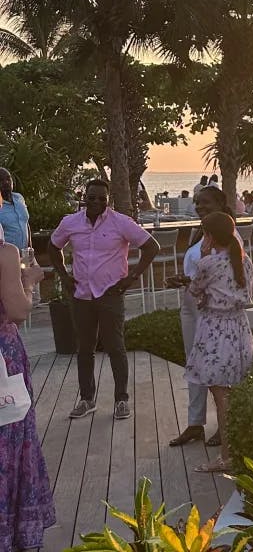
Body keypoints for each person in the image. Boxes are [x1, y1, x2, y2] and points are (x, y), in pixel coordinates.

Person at [49, 180, 160, 421]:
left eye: (102, 198)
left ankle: (121, 399)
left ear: (108, 199)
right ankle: (87, 399)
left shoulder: (120, 222)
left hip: (110, 293)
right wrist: (64, 277)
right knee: (84, 348)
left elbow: (151, 247)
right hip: (81, 295)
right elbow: (52, 246)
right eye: (92, 197)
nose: (97, 202)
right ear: (84, 198)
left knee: (115, 347)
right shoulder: (71, 223)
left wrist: (132, 277)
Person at [182, 211, 253, 473]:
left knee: (220, 394)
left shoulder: (207, 264)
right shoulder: (244, 262)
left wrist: (203, 256)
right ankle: (236, 449)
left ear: (210, 236)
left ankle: (227, 455)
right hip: (239, 328)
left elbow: (194, 291)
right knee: (233, 391)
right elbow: (250, 294)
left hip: (215, 330)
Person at [0, 212, 55, 551]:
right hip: (3, 358)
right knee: (10, 437)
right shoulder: (5, 252)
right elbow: (19, 310)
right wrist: (30, 280)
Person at [165, 186, 229, 448]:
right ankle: (195, 424)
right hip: (191, 306)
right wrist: (185, 281)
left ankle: (224, 427)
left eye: (206, 203)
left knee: (215, 369)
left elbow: (226, 277)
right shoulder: (199, 234)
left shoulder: (228, 236)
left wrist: (192, 281)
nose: (200, 207)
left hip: (213, 311)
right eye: (197, 203)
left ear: (221, 205)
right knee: (193, 366)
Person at [0, 168, 30, 250]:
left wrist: (30, 248)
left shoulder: (19, 198)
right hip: (7, 258)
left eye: (8, 178)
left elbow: (25, 223)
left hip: (25, 255)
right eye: (1, 180)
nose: (6, 182)